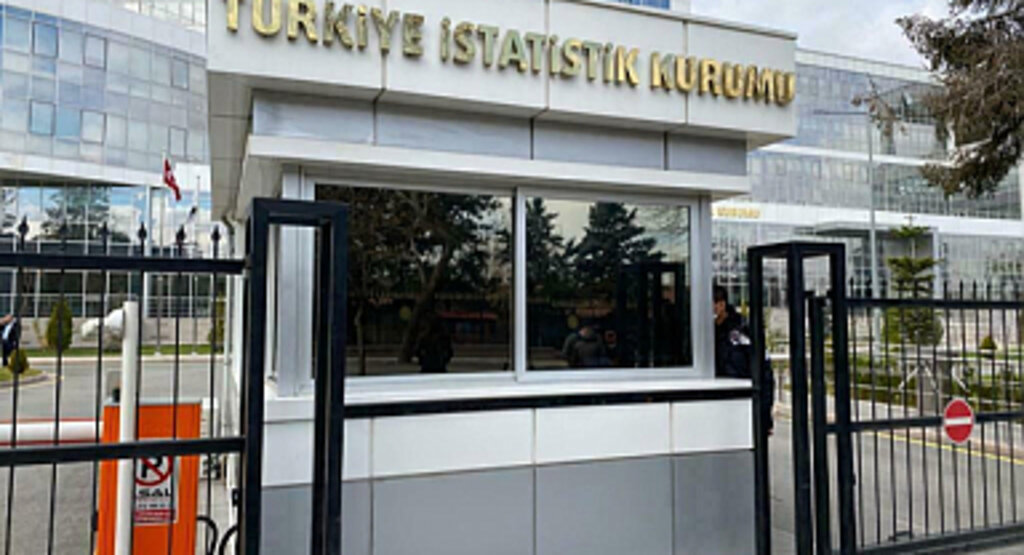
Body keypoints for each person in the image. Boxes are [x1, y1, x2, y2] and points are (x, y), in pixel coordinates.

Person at [713, 286, 774, 433]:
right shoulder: (708, 330)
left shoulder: (741, 329)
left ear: (722, 304)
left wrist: (765, 415)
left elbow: (763, 367)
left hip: (742, 394)